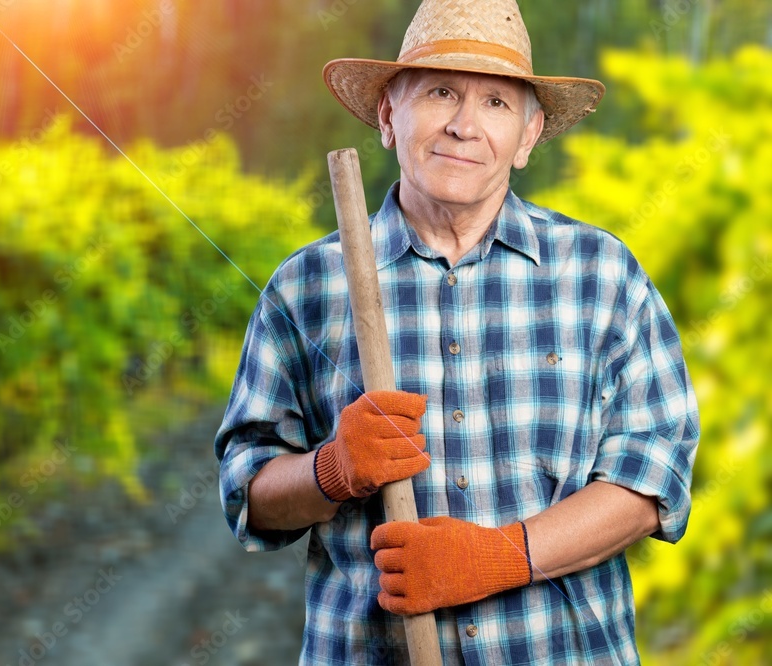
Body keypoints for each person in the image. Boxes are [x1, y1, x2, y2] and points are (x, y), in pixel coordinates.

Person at [214, 0, 699, 663]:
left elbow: (653, 478)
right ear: (389, 115)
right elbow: (248, 494)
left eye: (497, 104)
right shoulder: (306, 287)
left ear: (528, 137)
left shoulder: (602, 274)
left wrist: (501, 557)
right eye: (441, 91)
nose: (464, 126)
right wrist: (332, 469)